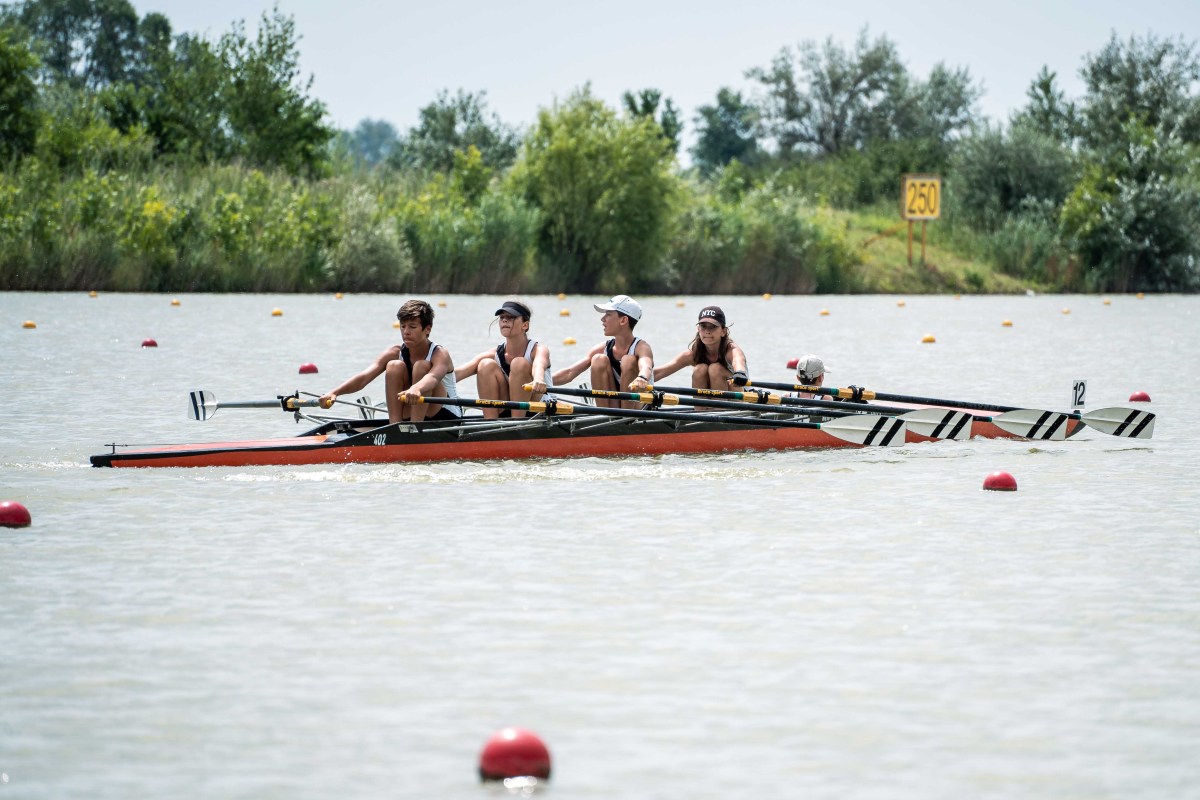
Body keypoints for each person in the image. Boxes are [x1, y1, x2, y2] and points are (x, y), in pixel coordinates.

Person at [319, 299, 461, 423]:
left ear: (427, 329)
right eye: (403, 326)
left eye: (412, 327)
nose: (406, 332)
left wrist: (417, 388)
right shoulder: (394, 352)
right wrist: (335, 392)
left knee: (421, 366)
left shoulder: (439, 354)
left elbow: (434, 377)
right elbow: (363, 378)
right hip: (412, 409)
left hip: (446, 414)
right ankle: (395, 427)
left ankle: (414, 429)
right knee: (394, 366)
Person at [455, 300, 554, 419]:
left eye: (511, 317)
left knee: (518, 363)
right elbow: (457, 374)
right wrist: (438, 379)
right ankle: (491, 423)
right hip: (507, 408)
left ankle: (517, 423)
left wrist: (538, 379)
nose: (504, 320)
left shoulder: (538, 350)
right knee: (485, 365)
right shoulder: (494, 354)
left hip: (540, 408)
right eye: (502, 317)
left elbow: (539, 365)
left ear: (525, 325)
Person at [552, 294, 653, 409]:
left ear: (623, 320)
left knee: (628, 360)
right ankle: (606, 413)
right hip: (614, 407)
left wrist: (642, 378)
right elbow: (569, 373)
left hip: (639, 406)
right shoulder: (601, 349)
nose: (602, 319)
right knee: (598, 359)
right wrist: (541, 380)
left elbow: (646, 367)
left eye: (608, 314)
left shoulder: (642, 347)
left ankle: (627, 415)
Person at [652, 305, 749, 393]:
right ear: (698, 329)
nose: (707, 331)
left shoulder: (732, 350)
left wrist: (740, 373)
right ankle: (701, 406)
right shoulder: (692, 354)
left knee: (715, 369)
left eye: (713, 327)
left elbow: (738, 362)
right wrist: (644, 378)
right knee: (700, 369)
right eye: (703, 326)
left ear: (723, 331)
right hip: (711, 400)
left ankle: (718, 406)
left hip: (740, 396)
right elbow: (660, 372)